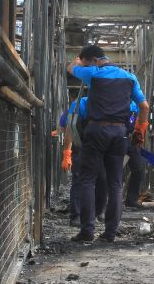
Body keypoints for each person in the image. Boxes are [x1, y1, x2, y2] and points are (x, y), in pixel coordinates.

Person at [67, 45, 149, 242]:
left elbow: (71, 68)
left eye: (87, 62)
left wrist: (77, 62)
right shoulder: (130, 77)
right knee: (116, 184)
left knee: (87, 179)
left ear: (94, 60)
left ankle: (87, 231)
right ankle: (110, 233)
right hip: (120, 132)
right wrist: (140, 130)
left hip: (97, 130)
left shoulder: (93, 73)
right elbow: (144, 106)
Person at [60, 96, 107, 226]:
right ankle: (77, 214)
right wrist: (67, 153)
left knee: (103, 178)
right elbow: (69, 127)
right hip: (81, 144)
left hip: (101, 145)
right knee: (79, 178)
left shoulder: (109, 102)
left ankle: (99, 212)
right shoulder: (79, 104)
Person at [124, 100, 145, 208]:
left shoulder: (135, 104)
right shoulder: (114, 99)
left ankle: (131, 200)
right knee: (114, 170)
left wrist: (139, 133)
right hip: (117, 137)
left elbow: (137, 120)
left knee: (138, 168)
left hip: (130, 138)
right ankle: (106, 201)